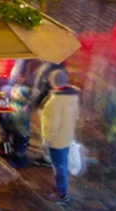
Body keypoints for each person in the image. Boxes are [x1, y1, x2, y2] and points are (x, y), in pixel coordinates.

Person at [40, 68, 80, 203]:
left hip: (57, 141)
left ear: (53, 83)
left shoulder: (54, 102)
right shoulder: (73, 97)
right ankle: (60, 188)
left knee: (59, 167)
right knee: (63, 164)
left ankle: (61, 193)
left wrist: (46, 140)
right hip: (66, 137)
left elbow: (52, 125)